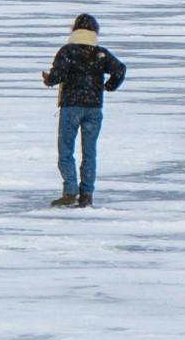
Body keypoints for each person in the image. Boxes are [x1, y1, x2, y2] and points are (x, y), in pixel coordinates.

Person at [41, 13, 125, 206]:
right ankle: (86, 194)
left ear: (74, 29)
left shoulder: (68, 51)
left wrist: (48, 80)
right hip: (93, 108)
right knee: (89, 152)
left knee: (66, 150)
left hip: (71, 106)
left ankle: (70, 191)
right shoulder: (100, 53)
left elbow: (57, 75)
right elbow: (120, 69)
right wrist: (109, 86)